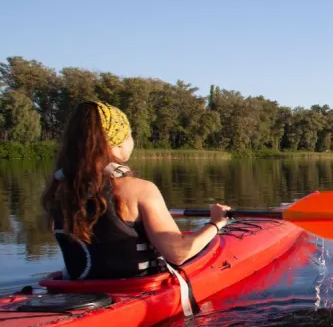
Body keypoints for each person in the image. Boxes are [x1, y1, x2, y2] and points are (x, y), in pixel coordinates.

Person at [41, 101, 232, 280]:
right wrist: (215, 223)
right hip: (135, 290)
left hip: (71, 292)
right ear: (116, 143)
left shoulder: (58, 189)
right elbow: (178, 253)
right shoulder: (140, 189)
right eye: (129, 133)